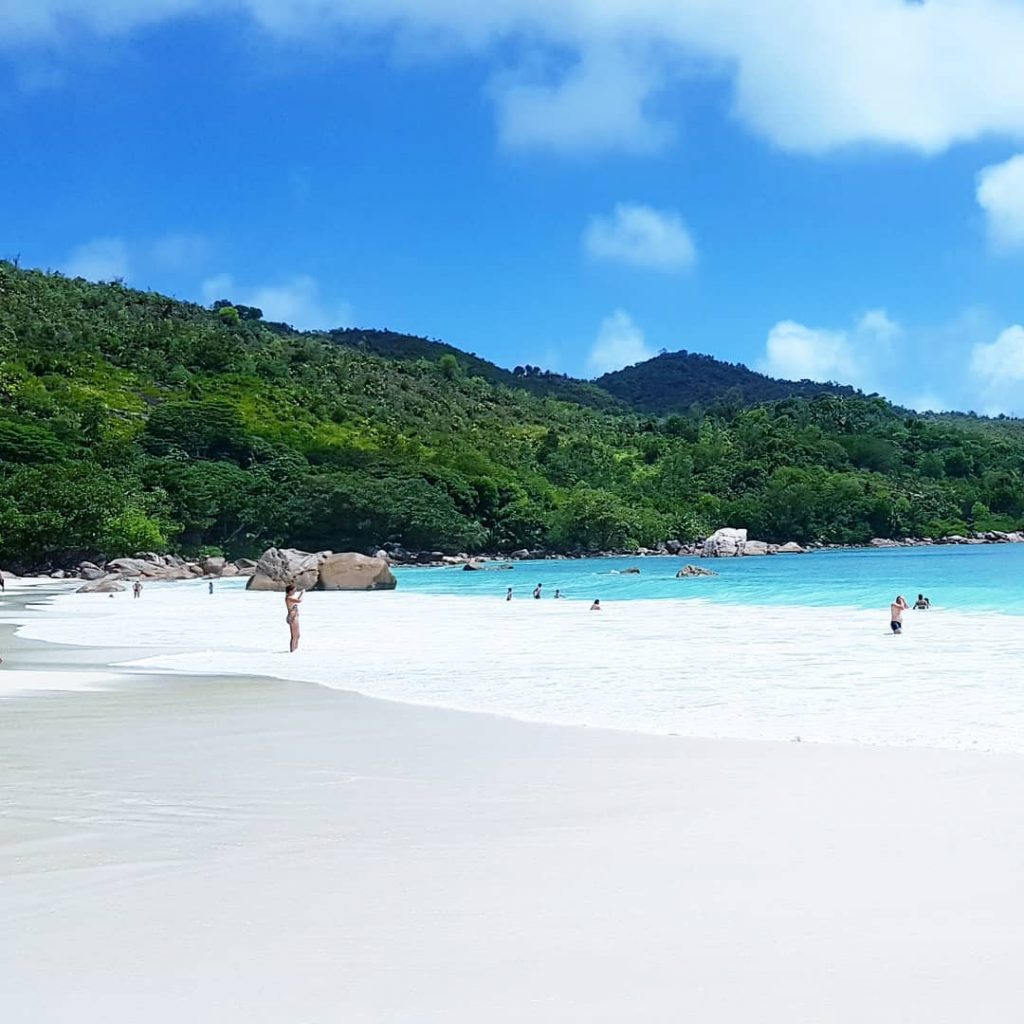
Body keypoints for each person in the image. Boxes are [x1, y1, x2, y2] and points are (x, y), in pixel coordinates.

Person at [285, 584, 304, 652]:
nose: (294, 592)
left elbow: (297, 600)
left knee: (298, 635)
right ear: (290, 591)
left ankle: (296, 649)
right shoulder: (289, 597)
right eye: (293, 590)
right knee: (294, 636)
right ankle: (292, 650)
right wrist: (302, 593)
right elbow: (299, 601)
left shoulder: (291, 597)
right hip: (292, 617)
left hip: (295, 616)